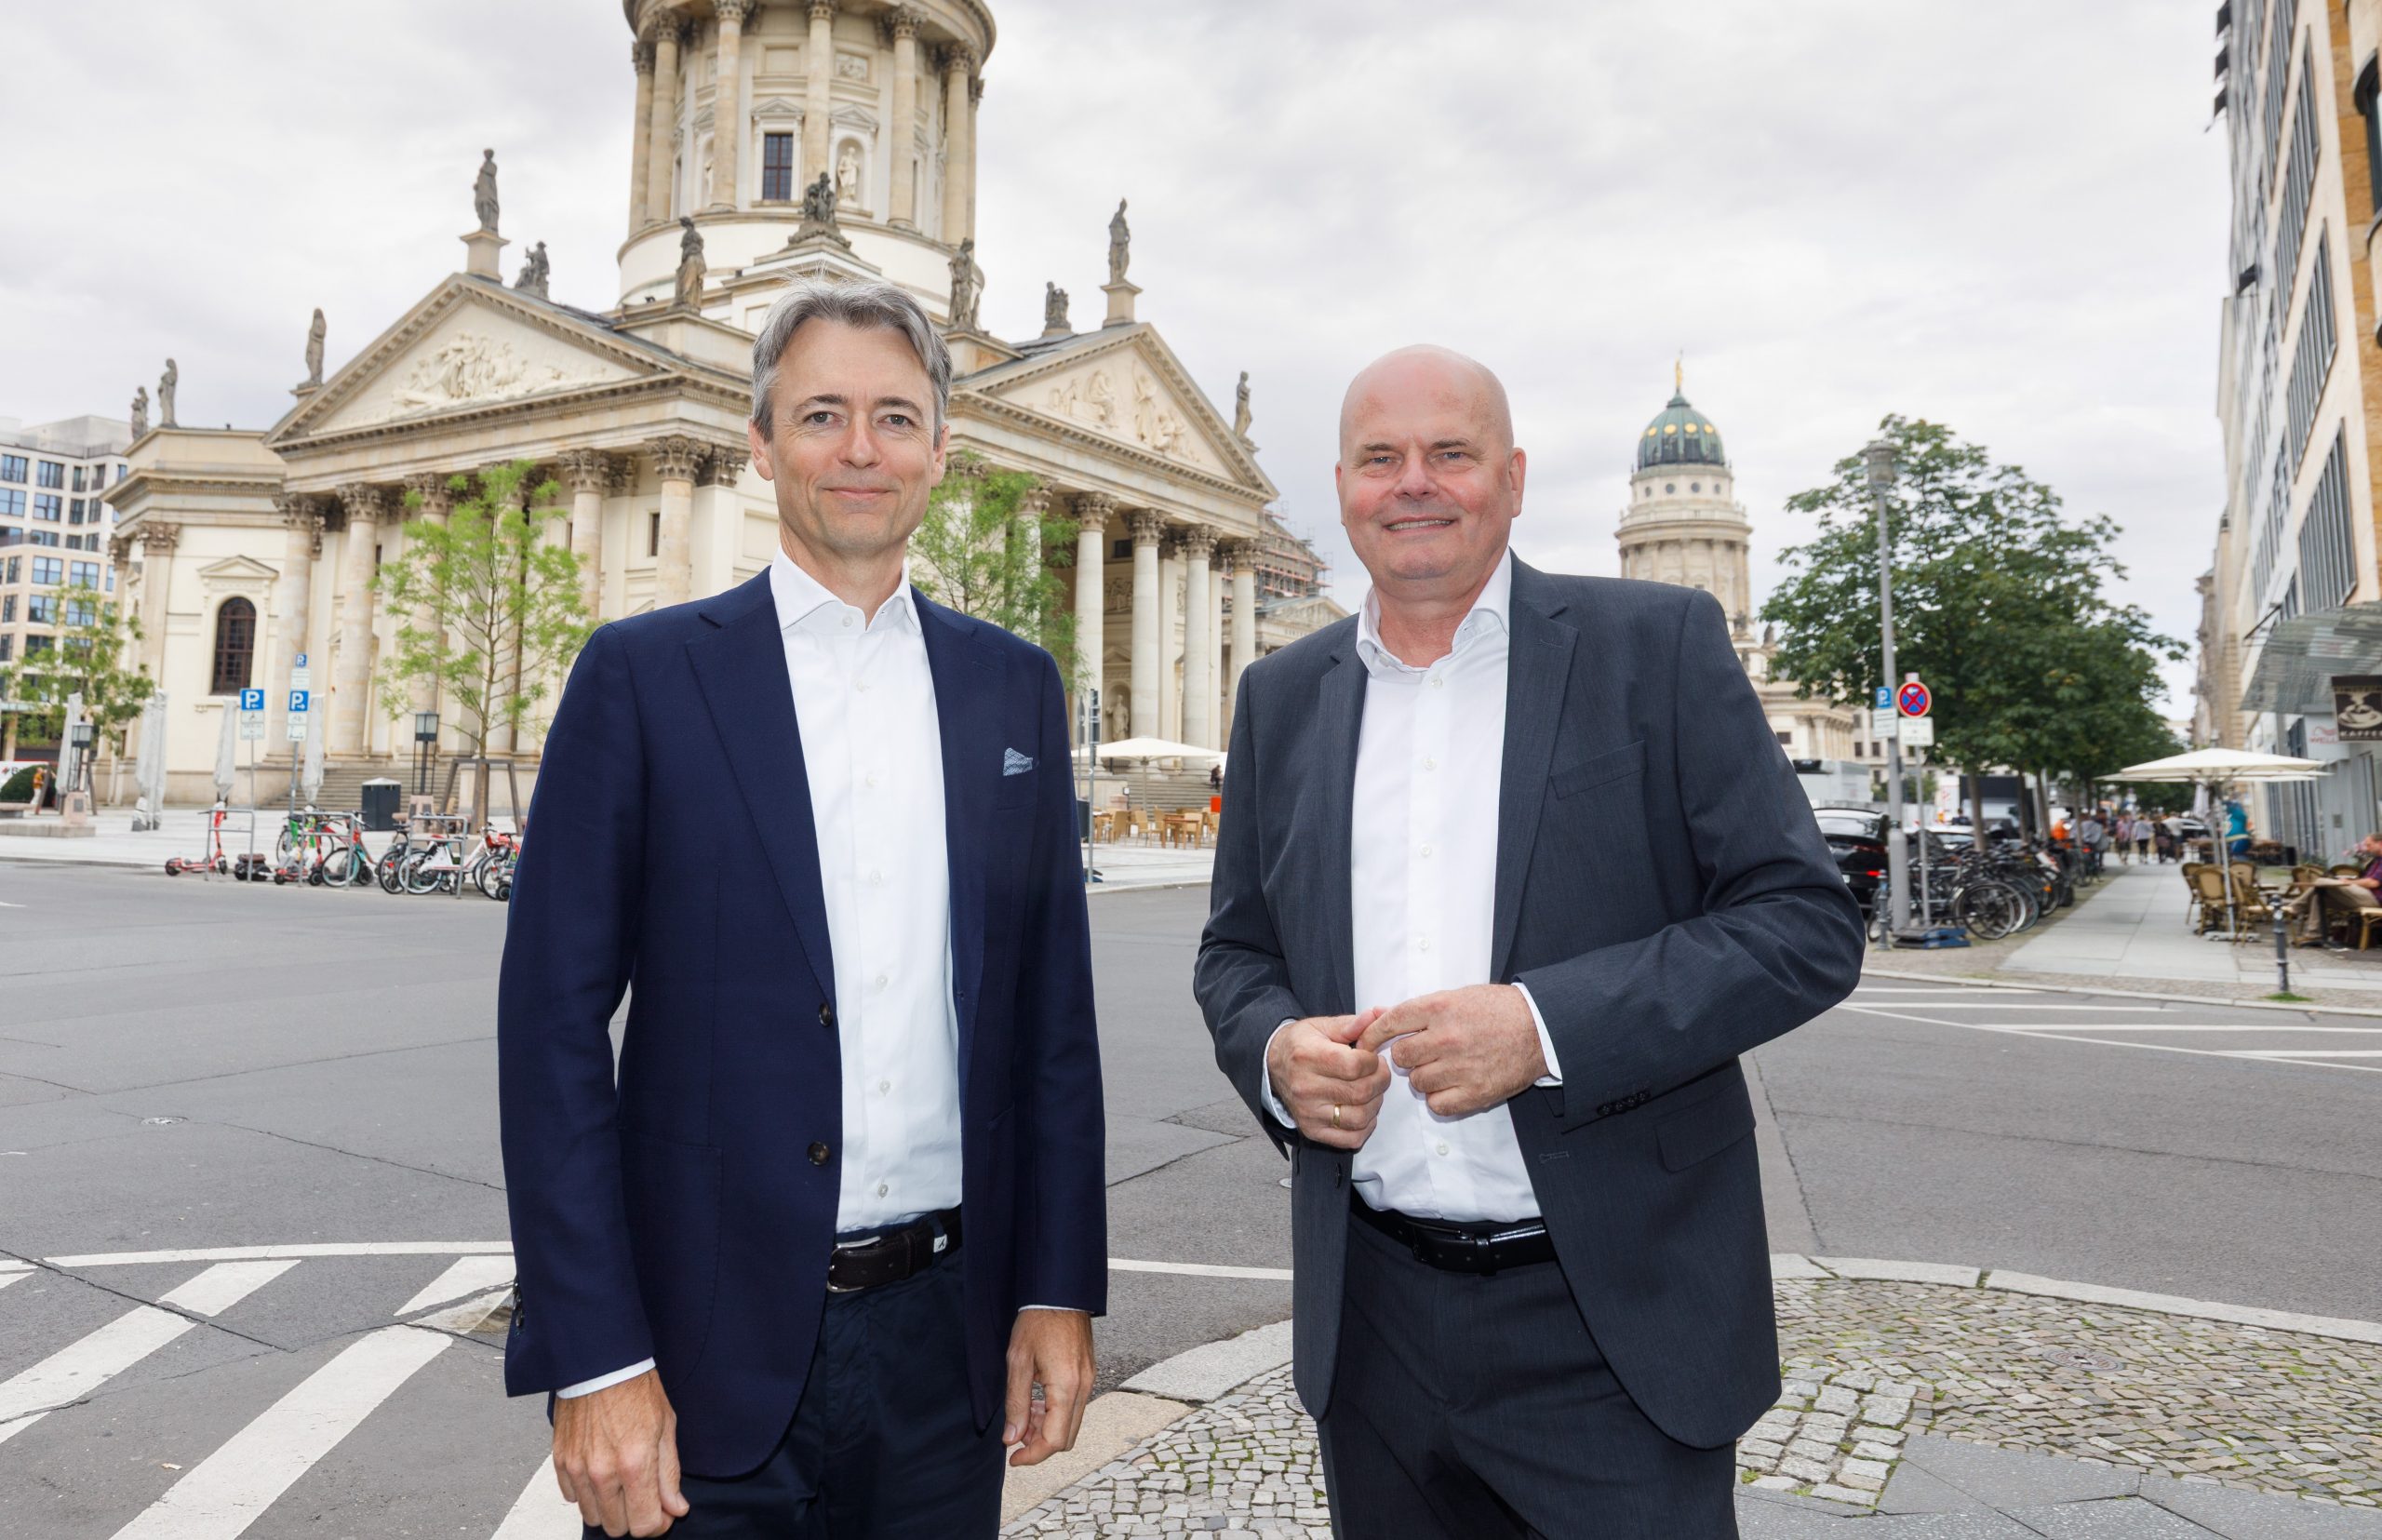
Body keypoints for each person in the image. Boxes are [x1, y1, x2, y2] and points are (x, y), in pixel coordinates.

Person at [1193, 345, 1864, 1538]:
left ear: (1510, 478)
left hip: (1609, 1323)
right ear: (1340, 484)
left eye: (1449, 454)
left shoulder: (1653, 644)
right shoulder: (1280, 696)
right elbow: (1235, 952)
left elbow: (1803, 922)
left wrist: (1546, 1027)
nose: (1415, 483)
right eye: (1380, 458)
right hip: (1376, 1327)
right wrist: (1273, 1050)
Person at [499, 279, 1105, 1539]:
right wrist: (596, 1355)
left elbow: (1051, 1022)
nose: (861, 449)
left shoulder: (1014, 688)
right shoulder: (644, 677)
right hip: (696, 1347)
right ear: (761, 442)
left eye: (895, 416)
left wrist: (1055, 1286)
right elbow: (551, 1029)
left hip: (945, 1346)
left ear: (942, 446)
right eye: (821, 414)